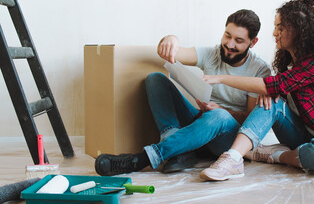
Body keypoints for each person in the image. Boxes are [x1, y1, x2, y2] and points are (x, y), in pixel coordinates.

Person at [95, 9, 271, 176]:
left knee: (219, 116)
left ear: (252, 42)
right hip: (201, 123)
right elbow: (172, 53)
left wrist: (225, 111)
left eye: (238, 41)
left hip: (226, 139)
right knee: (155, 79)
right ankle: (179, 151)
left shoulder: (259, 69)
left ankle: (144, 159)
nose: (229, 44)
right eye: (227, 36)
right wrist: (170, 38)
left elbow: (252, 121)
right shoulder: (213, 53)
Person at [199, 0, 314, 181]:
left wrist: (221, 78)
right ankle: (233, 158)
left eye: (280, 28)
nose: (274, 33)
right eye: (275, 27)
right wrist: (272, 95)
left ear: (299, 30)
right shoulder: (288, 65)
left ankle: (276, 156)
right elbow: (273, 89)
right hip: (302, 138)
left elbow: (272, 85)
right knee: (270, 100)